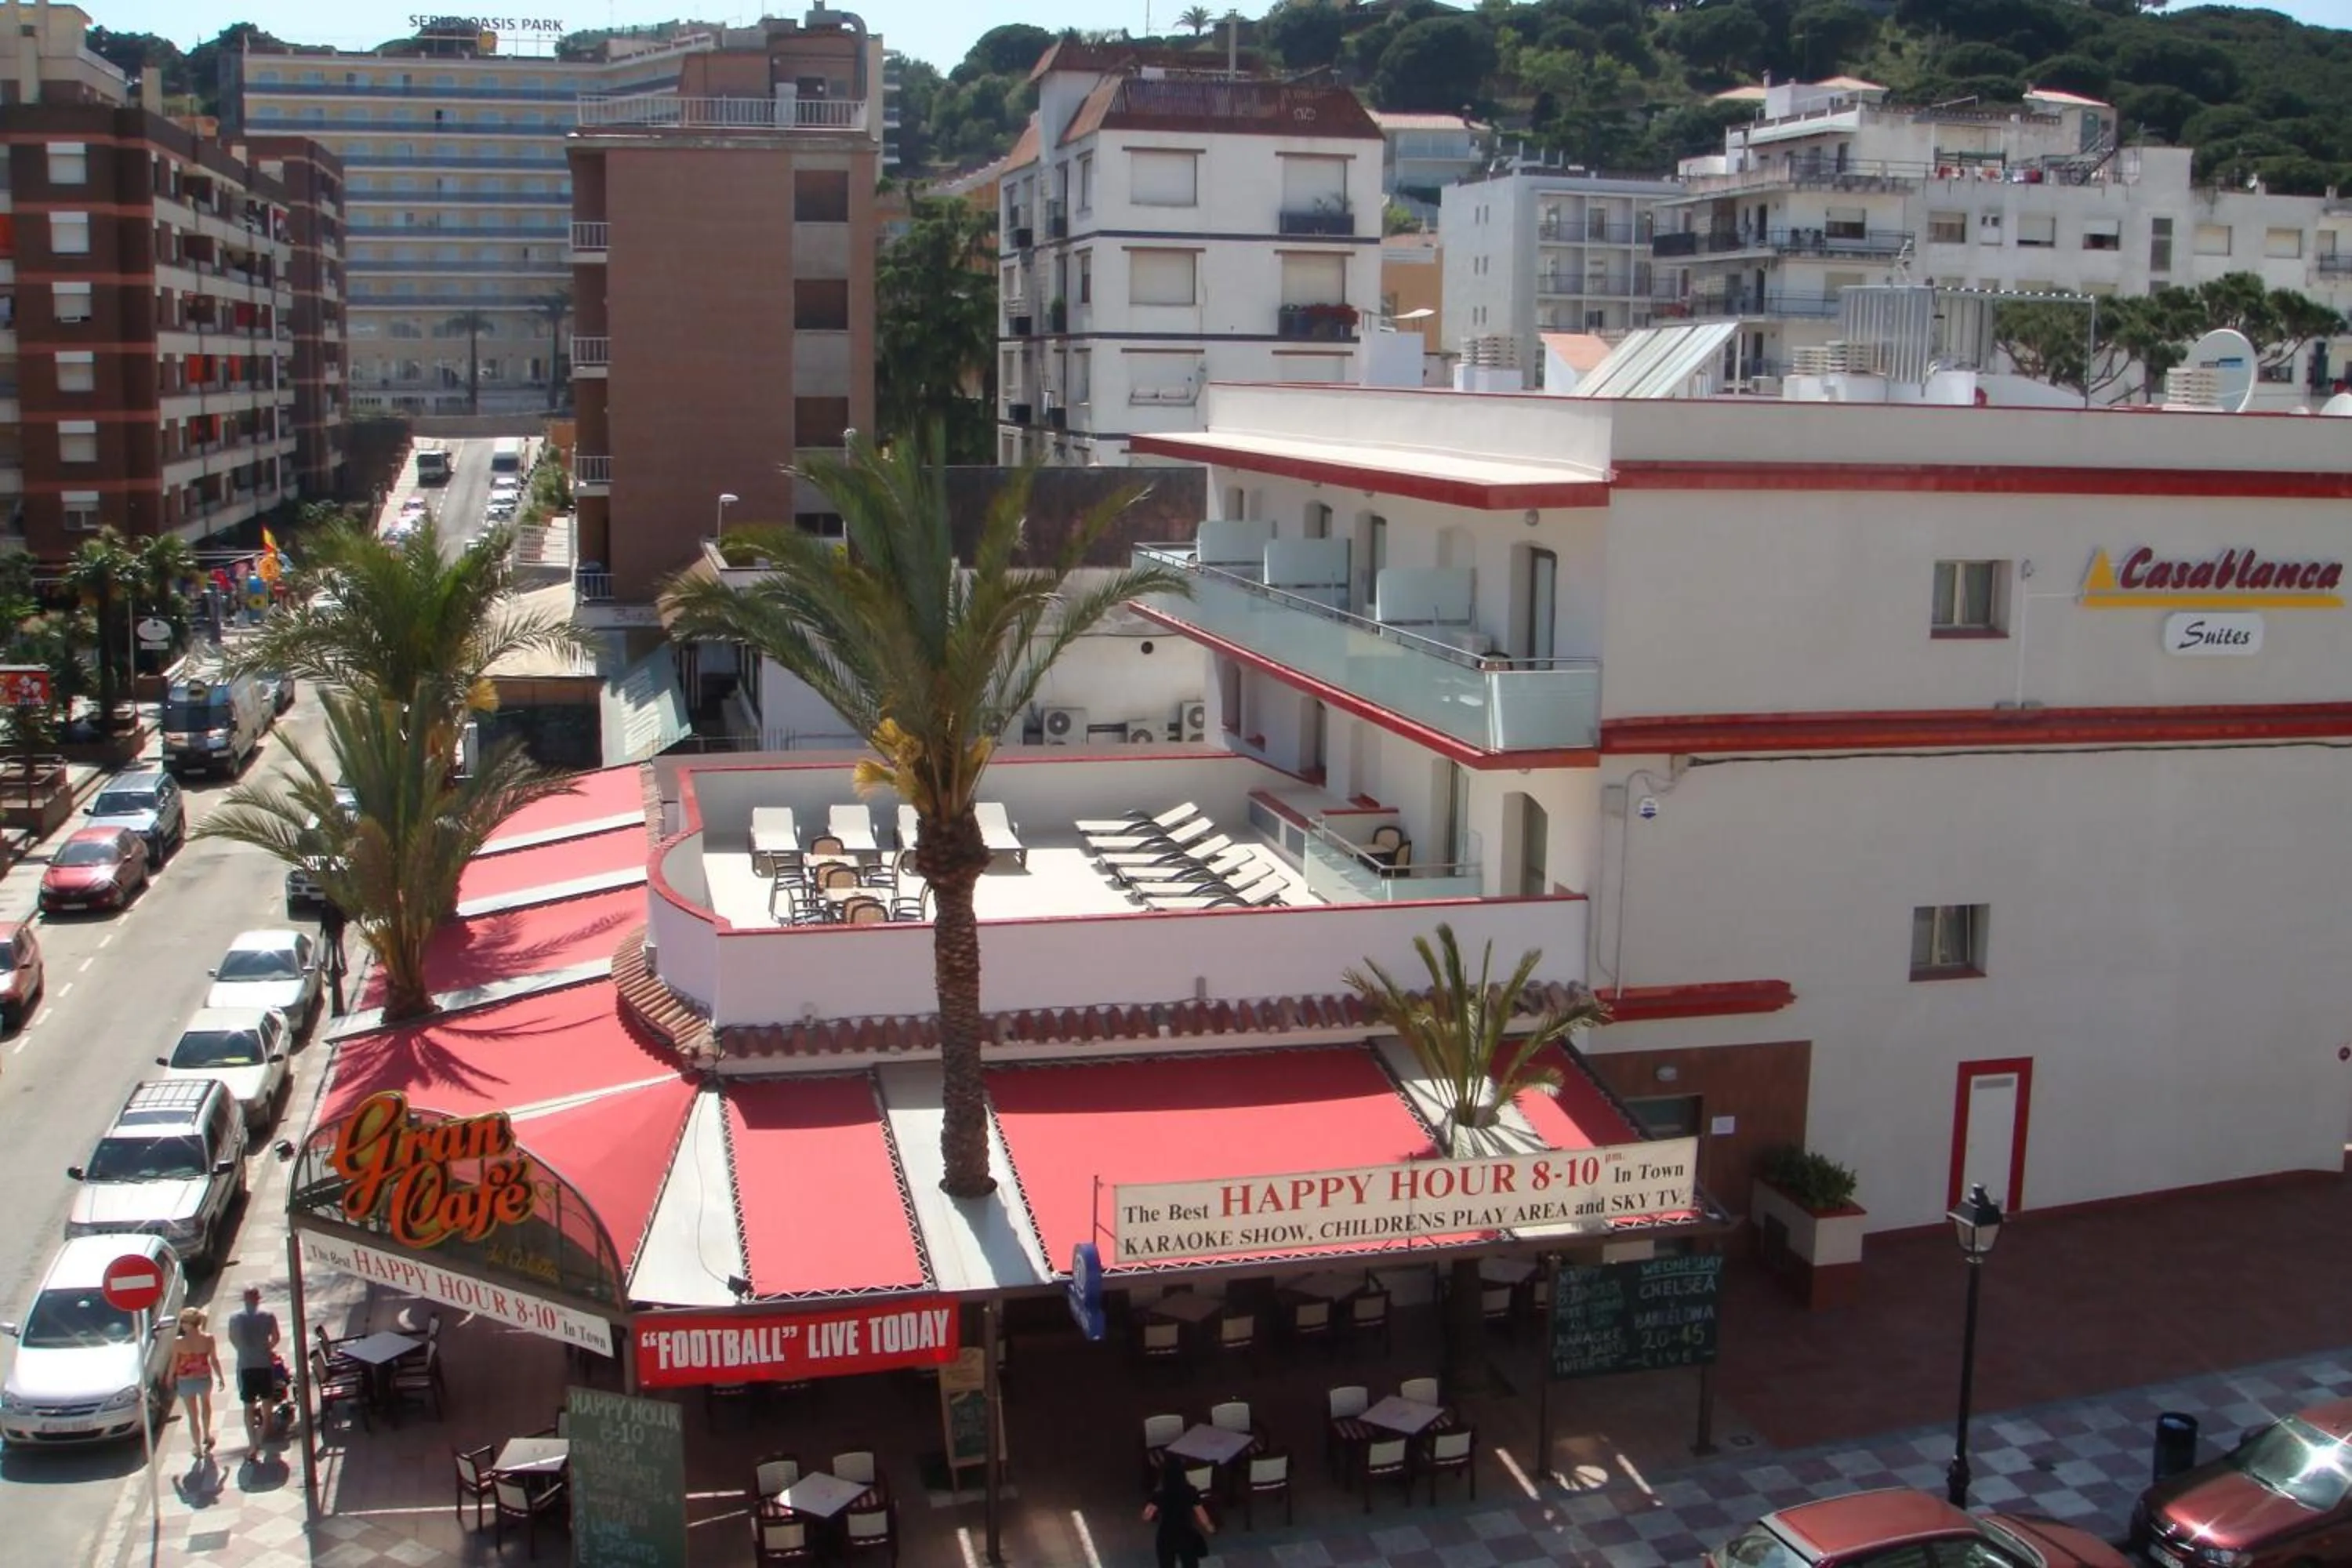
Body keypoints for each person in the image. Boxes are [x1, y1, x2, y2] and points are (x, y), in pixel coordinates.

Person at [223, 1286, 281, 1454]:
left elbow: (232, 1339)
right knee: (267, 1400)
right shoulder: (268, 1316)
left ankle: (252, 1443)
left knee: (248, 1406)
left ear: (244, 1299)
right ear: (258, 1298)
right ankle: (264, 1432)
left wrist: (243, 1350)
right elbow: (276, 1337)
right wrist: (266, 1348)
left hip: (245, 1364)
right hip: (263, 1363)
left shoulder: (234, 1318)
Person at [169, 1306, 223, 1455]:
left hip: (185, 1380)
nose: (181, 1325)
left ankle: (198, 1447)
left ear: (188, 1324)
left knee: (192, 1416)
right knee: (206, 1405)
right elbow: (214, 1360)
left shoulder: (179, 1342)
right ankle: (207, 1434)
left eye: (182, 1322)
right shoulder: (208, 1339)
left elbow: (174, 1362)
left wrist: (169, 1378)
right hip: (204, 1378)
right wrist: (221, 1377)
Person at [1142, 1461, 1215, 1568]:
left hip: (1165, 1535)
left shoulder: (1159, 1494)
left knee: (1166, 1564)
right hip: (1186, 1534)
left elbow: (1147, 1516)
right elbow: (1201, 1514)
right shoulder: (1190, 1491)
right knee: (1190, 1563)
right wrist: (1210, 1527)